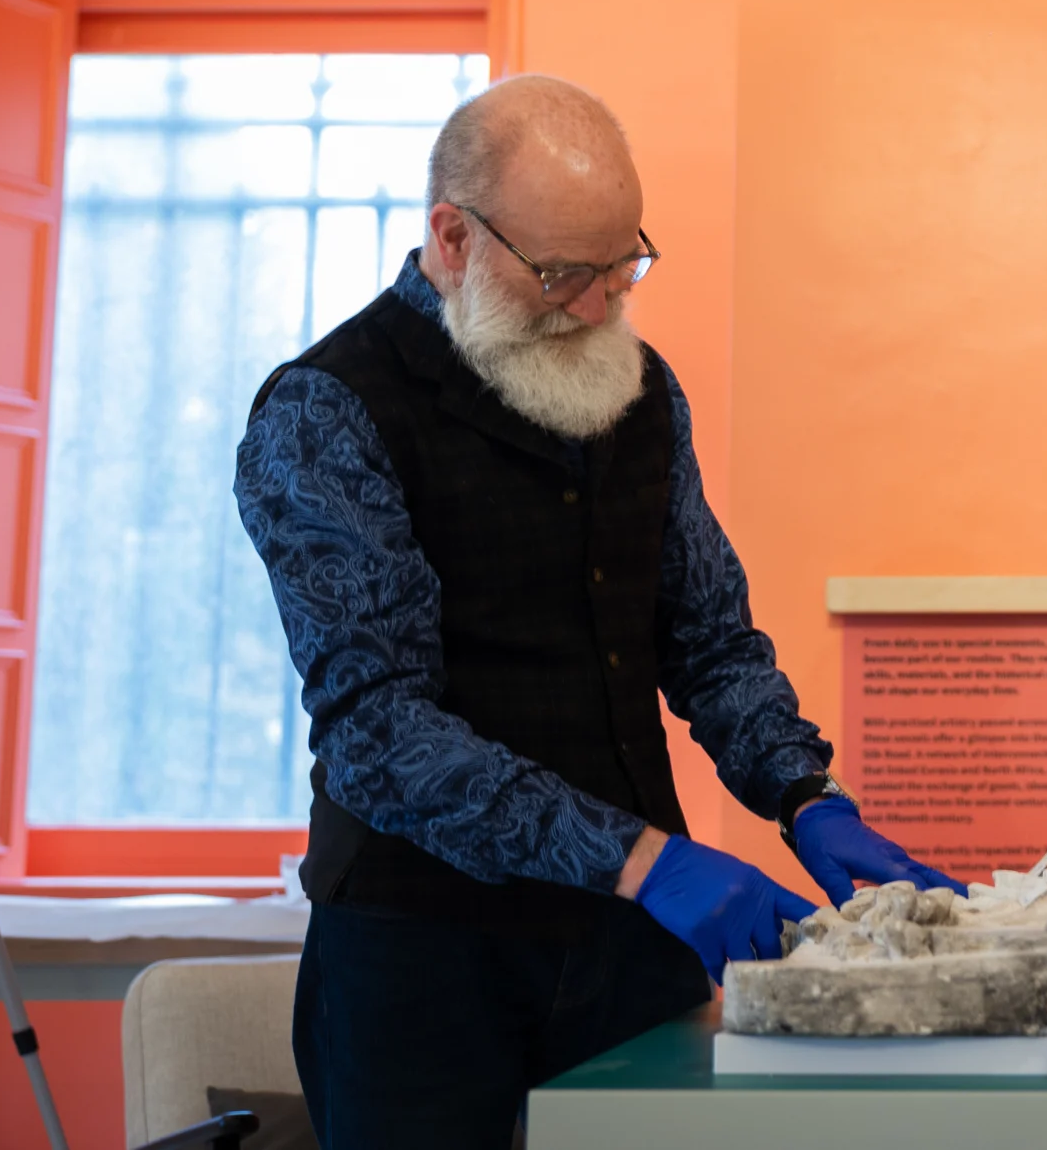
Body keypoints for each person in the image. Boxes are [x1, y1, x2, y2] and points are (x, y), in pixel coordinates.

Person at [235, 74, 959, 1149]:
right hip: (421, 962)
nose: (599, 306)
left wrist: (804, 795)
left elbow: (708, 641)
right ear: (451, 236)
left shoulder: (641, 389)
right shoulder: (326, 411)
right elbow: (379, 733)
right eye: (566, 274)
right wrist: (648, 862)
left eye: (623, 268)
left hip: (624, 946)